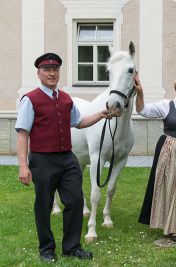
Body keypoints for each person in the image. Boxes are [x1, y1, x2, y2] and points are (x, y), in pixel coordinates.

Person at [16, 53, 113, 262]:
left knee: (76, 201)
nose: (52, 73)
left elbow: (79, 122)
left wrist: (102, 114)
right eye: (47, 70)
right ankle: (47, 249)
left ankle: (71, 246)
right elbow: (22, 133)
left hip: (67, 159)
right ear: (39, 73)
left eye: (55, 70)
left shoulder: (65, 98)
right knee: (43, 205)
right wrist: (23, 166)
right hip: (42, 160)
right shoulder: (30, 99)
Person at [135, 74, 176, 246]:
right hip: (170, 151)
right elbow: (142, 110)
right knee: (171, 188)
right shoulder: (166, 105)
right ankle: (173, 229)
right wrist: (140, 94)